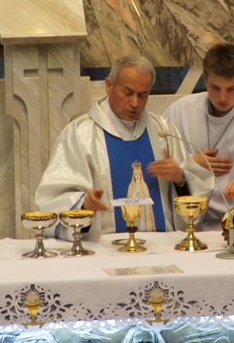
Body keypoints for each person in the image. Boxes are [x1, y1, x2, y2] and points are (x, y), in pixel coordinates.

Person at [35, 55, 213, 239]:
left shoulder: (162, 131)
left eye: (143, 95)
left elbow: (196, 193)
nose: (135, 103)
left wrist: (180, 180)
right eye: (128, 93)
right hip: (104, 245)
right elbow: (53, 198)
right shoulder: (80, 134)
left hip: (160, 244)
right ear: (109, 85)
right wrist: (83, 206)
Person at [163, 43, 234, 228]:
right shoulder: (180, 110)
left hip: (233, 221)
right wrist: (191, 163)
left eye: (231, 89)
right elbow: (159, 155)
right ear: (205, 78)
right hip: (185, 219)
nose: (222, 98)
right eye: (215, 88)